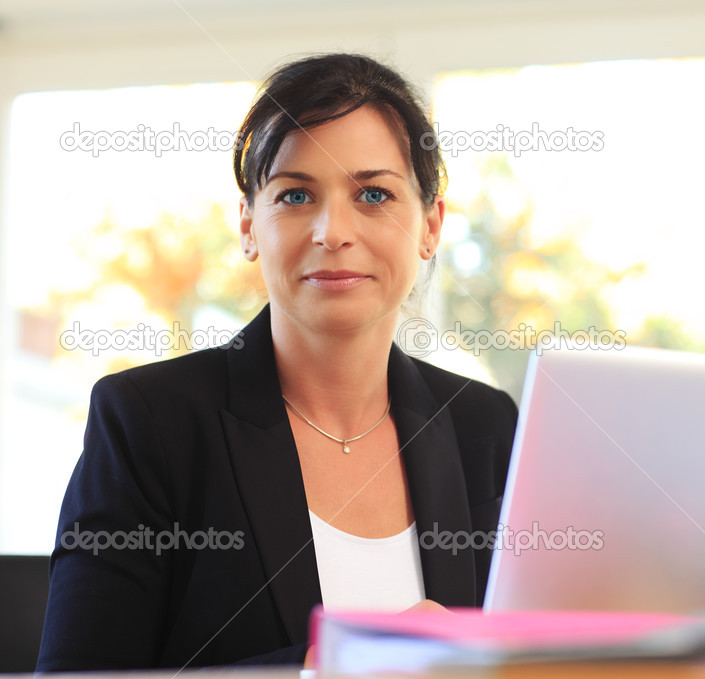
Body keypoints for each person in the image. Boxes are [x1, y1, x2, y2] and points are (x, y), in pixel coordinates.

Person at [36, 53, 518, 670]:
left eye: (373, 194)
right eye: (295, 194)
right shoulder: (149, 422)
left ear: (430, 224)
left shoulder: (486, 425)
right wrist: (327, 666)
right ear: (248, 226)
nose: (332, 231)